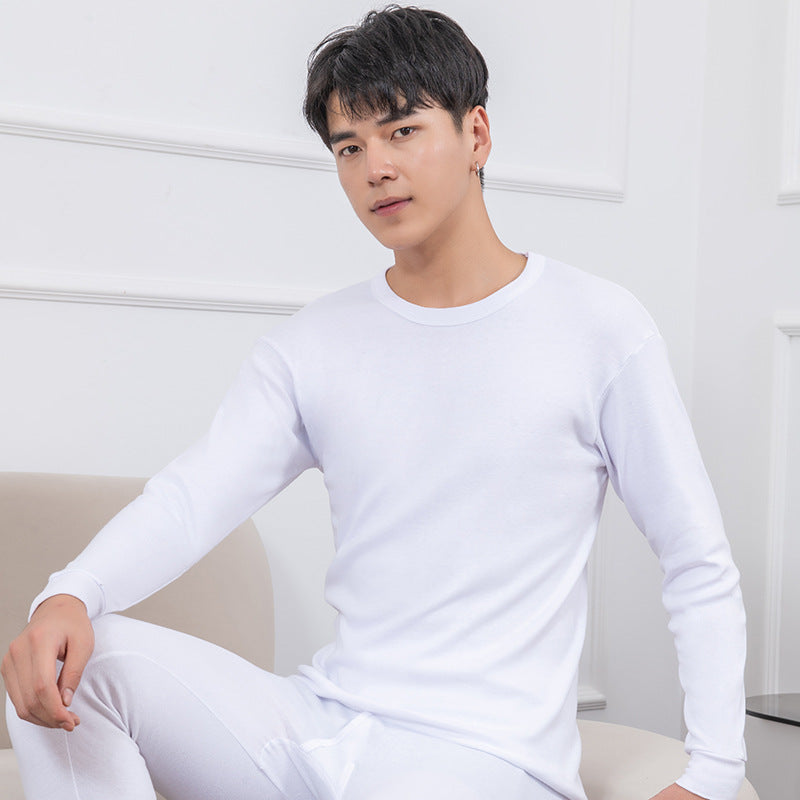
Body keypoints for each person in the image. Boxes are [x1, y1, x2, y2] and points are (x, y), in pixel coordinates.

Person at [2, 6, 746, 800]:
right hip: (326, 729)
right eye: (349, 147)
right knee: (71, 660)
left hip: (483, 760)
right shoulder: (314, 344)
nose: (375, 168)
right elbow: (191, 500)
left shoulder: (598, 328)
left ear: (477, 135)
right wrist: (70, 593)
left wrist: (712, 773)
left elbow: (695, 559)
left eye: (403, 131)